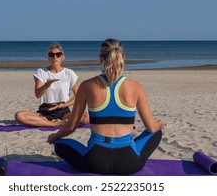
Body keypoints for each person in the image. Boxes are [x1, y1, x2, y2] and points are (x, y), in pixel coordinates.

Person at [47, 39, 164, 175]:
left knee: (59, 144)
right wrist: (160, 124)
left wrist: (55, 137)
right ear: (123, 57)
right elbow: (151, 128)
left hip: (95, 162)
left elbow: (71, 127)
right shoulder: (135, 87)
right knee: (157, 132)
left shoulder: (87, 86)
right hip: (129, 163)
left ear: (100, 58)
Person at [15, 43, 89, 127]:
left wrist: (64, 104)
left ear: (62, 57)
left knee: (86, 117)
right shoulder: (42, 72)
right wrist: (47, 84)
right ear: (48, 57)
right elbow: (38, 94)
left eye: (58, 54)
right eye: (52, 55)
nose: (55, 57)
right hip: (46, 111)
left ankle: (59, 122)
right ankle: (53, 124)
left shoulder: (69, 73)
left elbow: (79, 96)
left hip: (63, 111)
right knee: (19, 116)